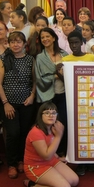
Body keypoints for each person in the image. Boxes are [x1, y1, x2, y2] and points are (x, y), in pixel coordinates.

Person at [0, 31, 36, 179]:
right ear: (8, 44)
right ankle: (11, 164)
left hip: (26, 103)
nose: (16, 44)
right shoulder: (3, 60)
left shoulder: (31, 60)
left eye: (19, 42)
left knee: (24, 133)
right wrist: (5, 103)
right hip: (9, 104)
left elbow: (35, 81)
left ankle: (20, 160)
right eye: (13, 42)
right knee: (13, 133)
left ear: (24, 43)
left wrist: (32, 96)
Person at [23, 101, 79, 187]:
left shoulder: (53, 127)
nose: (51, 115)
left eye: (54, 113)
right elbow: (46, 156)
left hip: (51, 160)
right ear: (41, 115)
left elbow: (51, 148)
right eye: (47, 113)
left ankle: (53, 176)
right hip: (36, 166)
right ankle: (32, 185)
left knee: (74, 181)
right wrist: (58, 136)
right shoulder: (36, 132)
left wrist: (57, 158)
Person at [62, 31, 94, 175]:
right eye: (71, 43)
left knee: (91, 130)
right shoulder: (66, 59)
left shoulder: (91, 57)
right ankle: (80, 163)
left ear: (82, 43)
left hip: (91, 101)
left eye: (77, 42)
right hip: (72, 103)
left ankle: (91, 160)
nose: (74, 45)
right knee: (77, 132)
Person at [35, 27, 68, 155]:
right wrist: (55, 75)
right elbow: (39, 78)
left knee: (63, 123)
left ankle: (63, 151)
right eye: (42, 37)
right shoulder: (39, 57)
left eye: (47, 36)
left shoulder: (65, 54)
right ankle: (51, 152)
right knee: (49, 125)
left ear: (54, 37)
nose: (45, 39)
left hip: (64, 93)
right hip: (48, 95)